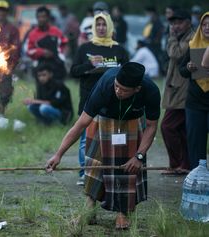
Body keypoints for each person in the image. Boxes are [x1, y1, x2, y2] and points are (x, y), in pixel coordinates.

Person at [46, 62, 161, 230]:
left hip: (132, 122)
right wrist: (58, 154)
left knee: (128, 167)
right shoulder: (106, 85)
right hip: (103, 120)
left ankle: (124, 213)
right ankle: (89, 209)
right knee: (94, 165)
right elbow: (80, 125)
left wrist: (139, 156)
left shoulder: (151, 91)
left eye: (124, 90)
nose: (118, 91)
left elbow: (151, 126)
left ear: (137, 89)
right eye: (117, 86)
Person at [71, 12, 128, 185]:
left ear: (110, 27)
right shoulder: (85, 48)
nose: (101, 28)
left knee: (114, 137)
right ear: (94, 28)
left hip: (114, 99)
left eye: (104, 25)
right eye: (98, 25)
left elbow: (128, 72)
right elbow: (73, 71)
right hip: (89, 98)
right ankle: (84, 172)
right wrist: (90, 65)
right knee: (85, 139)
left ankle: (112, 170)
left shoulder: (119, 49)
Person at [161, 9, 193, 175]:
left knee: (168, 126)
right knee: (181, 130)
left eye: (179, 22)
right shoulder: (182, 37)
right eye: (173, 23)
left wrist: (171, 36)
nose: (175, 26)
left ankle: (177, 164)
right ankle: (184, 165)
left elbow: (176, 53)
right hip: (176, 90)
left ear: (189, 22)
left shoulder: (192, 37)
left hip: (184, 92)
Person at [179, 11, 209, 170]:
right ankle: (197, 176)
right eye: (204, 24)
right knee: (196, 142)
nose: (207, 27)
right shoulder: (193, 45)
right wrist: (189, 67)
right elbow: (181, 70)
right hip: (195, 102)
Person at [0, 0, 20, 117]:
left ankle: (1, 114)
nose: (1, 13)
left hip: (6, 66)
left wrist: (11, 65)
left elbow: (16, 48)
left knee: (5, 92)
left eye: (3, 10)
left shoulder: (12, 29)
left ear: (7, 12)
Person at [26, 6, 68, 81]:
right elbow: (29, 51)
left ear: (48, 18)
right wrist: (42, 52)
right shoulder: (32, 34)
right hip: (40, 67)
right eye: (39, 17)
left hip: (56, 67)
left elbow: (64, 43)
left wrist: (61, 56)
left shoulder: (56, 31)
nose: (41, 19)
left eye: (44, 16)